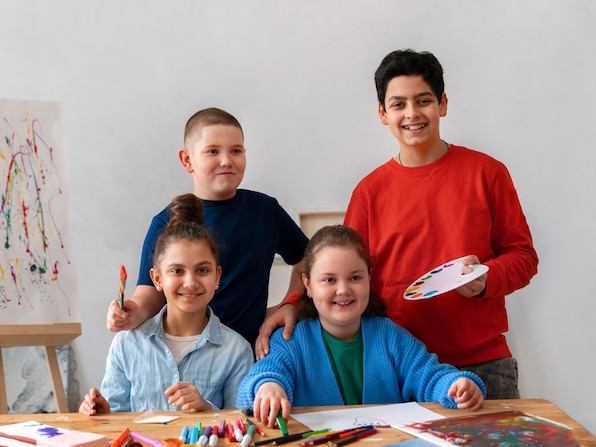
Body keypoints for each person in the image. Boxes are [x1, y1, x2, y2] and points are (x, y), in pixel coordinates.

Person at [259, 49, 538, 399]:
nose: (411, 114)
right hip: (396, 365)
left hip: (480, 362)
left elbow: (524, 256)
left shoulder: (488, 173)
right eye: (398, 104)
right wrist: (293, 301)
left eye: (423, 100)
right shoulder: (369, 192)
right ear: (382, 113)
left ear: (443, 104)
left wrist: (486, 278)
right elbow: (337, 265)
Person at [237, 225, 485, 427]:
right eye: (329, 279)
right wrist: (268, 387)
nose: (343, 289)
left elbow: (430, 377)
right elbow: (261, 378)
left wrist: (456, 385)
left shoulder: (391, 336)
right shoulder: (290, 340)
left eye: (355, 277)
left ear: (369, 278)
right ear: (308, 285)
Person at [106, 108, 309, 349]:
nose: (226, 160)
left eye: (236, 151)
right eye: (213, 151)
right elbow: (149, 293)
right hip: (187, 353)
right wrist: (133, 311)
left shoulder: (265, 210)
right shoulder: (165, 221)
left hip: (250, 351)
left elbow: (310, 258)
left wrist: (290, 302)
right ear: (187, 160)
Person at [80, 194, 254, 414]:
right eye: (177, 271)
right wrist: (103, 413)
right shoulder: (126, 344)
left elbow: (243, 425)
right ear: (157, 279)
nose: (190, 283)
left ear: (217, 277)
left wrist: (207, 409)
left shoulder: (236, 351)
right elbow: (116, 417)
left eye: (202, 270)